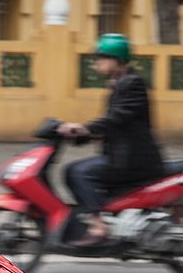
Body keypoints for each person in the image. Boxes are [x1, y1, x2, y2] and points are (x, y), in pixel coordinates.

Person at [57, 33, 164, 245]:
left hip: (134, 159)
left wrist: (84, 127)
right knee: (78, 170)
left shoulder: (132, 83)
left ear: (116, 59)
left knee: (77, 172)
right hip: (122, 156)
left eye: (102, 58)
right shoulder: (119, 83)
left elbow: (117, 117)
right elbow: (113, 125)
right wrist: (82, 134)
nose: (98, 63)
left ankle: (98, 225)